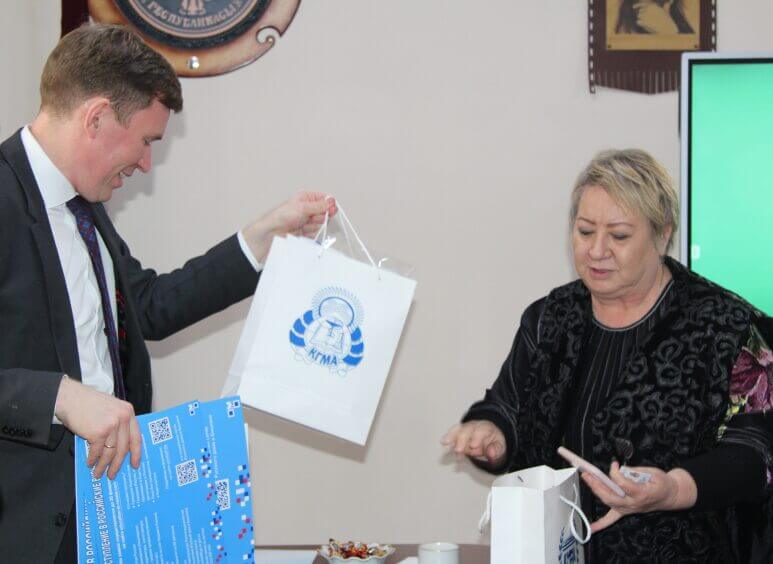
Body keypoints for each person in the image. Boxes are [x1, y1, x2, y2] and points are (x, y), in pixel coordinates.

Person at [0, 24, 336, 563]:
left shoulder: (86, 211)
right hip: (24, 532)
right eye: (146, 141)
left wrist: (261, 239)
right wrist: (61, 397)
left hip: (107, 518)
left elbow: (149, 307)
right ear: (96, 118)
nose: (145, 164)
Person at [442, 149, 773, 562]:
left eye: (619, 236)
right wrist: (492, 433)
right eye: (585, 231)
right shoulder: (550, 318)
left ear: (662, 234)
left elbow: (755, 454)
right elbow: (507, 407)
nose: (597, 250)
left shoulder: (731, 328)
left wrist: (673, 488)